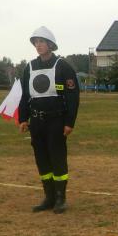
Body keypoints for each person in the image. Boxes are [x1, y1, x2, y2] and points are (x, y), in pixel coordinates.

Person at [18, 26, 80, 214]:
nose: (38, 45)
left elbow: (72, 97)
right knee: (42, 159)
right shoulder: (29, 67)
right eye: (36, 42)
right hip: (37, 122)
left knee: (57, 158)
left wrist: (69, 122)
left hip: (56, 121)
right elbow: (24, 95)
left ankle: (61, 197)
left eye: (42, 42)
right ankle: (49, 197)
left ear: (50, 45)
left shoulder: (63, 66)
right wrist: (23, 118)